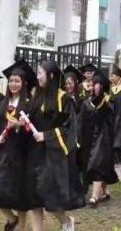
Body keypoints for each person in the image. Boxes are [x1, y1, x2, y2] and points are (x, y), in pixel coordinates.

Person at [27, 60, 83, 231]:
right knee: (34, 197)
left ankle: (66, 221)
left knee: (51, 197)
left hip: (53, 154)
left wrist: (46, 135)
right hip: (35, 152)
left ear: (50, 75)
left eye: (40, 73)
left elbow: (68, 129)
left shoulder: (63, 98)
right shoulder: (36, 95)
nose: (37, 77)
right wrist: (24, 122)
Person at [0, 59, 36, 231]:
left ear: (24, 83)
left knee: (20, 196)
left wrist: (21, 125)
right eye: (11, 81)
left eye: (17, 81)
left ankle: (21, 227)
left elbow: (36, 130)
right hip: (4, 154)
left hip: (22, 154)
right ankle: (12, 219)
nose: (13, 84)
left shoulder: (29, 104)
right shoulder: (2, 104)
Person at [79, 69, 119, 207]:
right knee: (101, 166)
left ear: (101, 86)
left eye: (95, 84)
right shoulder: (87, 101)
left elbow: (107, 116)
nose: (92, 86)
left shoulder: (108, 100)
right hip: (90, 138)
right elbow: (81, 121)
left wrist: (100, 100)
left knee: (96, 164)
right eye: (91, 84)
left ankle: (94, 197)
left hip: (103, 138)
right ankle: (105, 192)